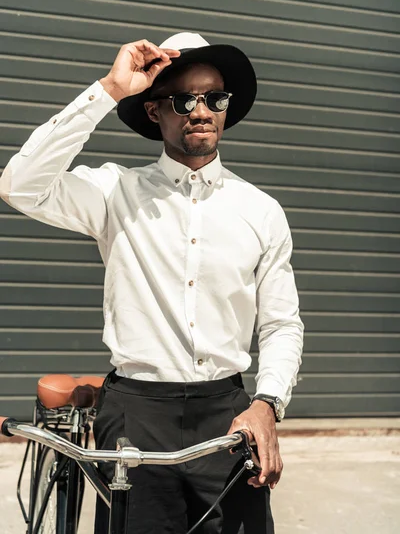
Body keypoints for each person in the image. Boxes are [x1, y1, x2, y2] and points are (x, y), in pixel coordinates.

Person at [0, 32, 304, 533]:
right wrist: (110, 89)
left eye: (214, 98)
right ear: (153, 112)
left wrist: (267, 404)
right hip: (136, 411)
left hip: (227, 412)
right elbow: (19, 184)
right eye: (183, 99)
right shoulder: (115, 191)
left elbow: (281, 324)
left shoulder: (261, 211)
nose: (200, 110)